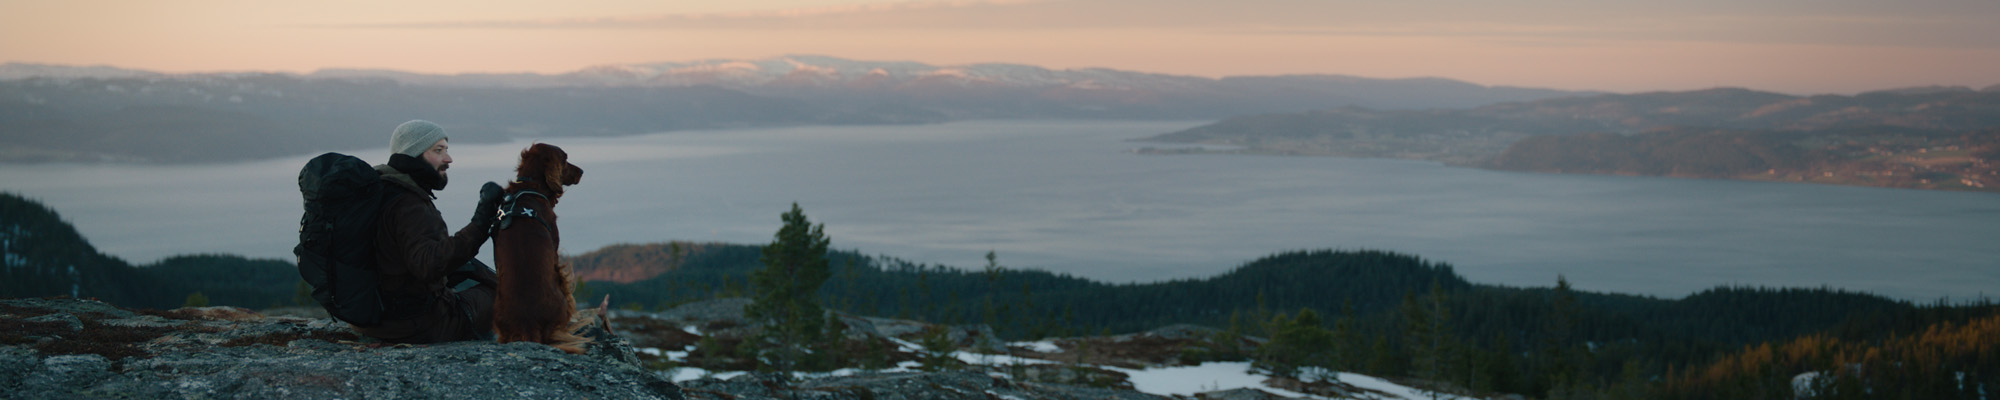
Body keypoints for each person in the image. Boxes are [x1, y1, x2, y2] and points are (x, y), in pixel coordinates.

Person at [353, 119, 506, 343]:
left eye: (446, 149)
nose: (448, 159)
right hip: (417, 326)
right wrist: (481, 222)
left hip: (374, 319)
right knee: (500, 295)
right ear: (413, 154)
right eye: (438, 150)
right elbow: (429, 265)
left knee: (469, 269)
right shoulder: (409, 204)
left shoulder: (381, 190)